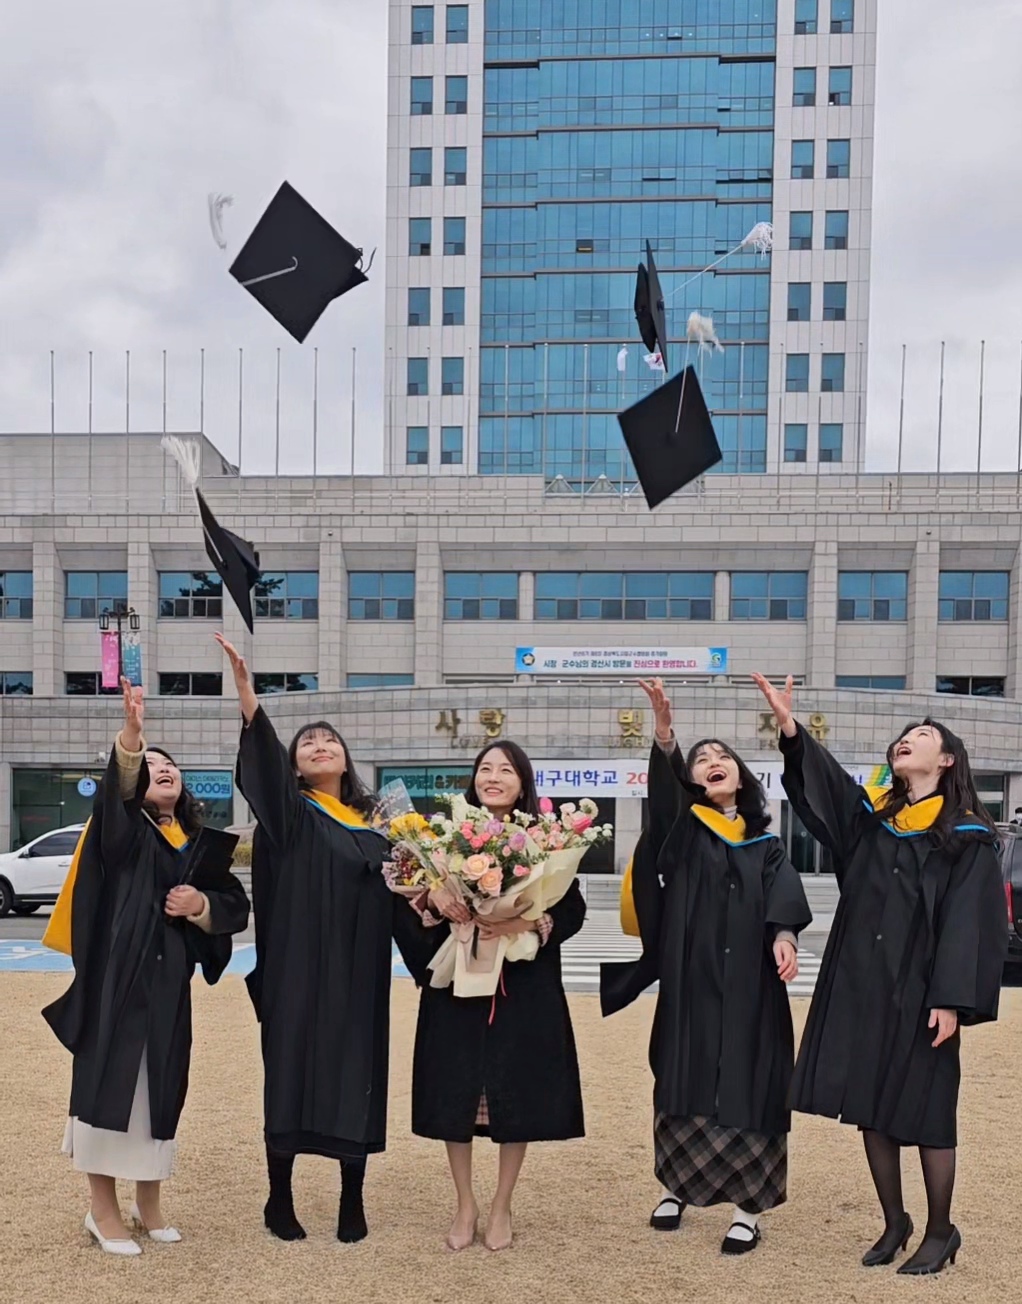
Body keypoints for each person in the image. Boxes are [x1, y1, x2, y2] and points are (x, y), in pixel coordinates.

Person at [753, 672, 1007, 1276]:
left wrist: (950, 999)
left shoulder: (967, 836)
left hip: (922, 991)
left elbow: (968, 923)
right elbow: (829, 789)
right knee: (870, 1101)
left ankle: (941, 1230)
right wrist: (790, 731)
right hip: (864, 982)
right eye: (903, 735)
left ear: (947, 760)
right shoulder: (874, 820)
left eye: (923, 735)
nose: (906, 740)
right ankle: (895, 1220)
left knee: (927, 1107)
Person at [217, 633, 427, 1244]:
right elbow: (261, 765)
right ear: (292, 764)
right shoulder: (289, 814)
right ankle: (278, 1198)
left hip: (359, 973)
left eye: (329, 740)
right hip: (297, 970)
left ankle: (351, 1198)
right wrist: (248, 696)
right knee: (288, 1073)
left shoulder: (380, 824)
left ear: (346, 758)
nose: (319, 745)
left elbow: (405, 899)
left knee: (357, 1074)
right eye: (307, 742)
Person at [602, 679, 811, 1255]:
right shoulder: (684, 832)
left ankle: (748, 1208)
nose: (713, 762)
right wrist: (665, 735)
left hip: (751, 987)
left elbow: (783, 896)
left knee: (754, 1078)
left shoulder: (765, 845)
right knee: (682, 1073)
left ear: (741, 777)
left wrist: (785, 936)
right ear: (692, 780)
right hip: (691, 981)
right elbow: (665, 800)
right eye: (702, 759)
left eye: (723, 757)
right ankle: (675, 1187)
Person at [42, 677, 250, 1255]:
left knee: (160, 1091)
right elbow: (116, 793)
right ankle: (102, 1210)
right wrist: (132, 738)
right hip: (117, 981)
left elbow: (233, 904)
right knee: (108, 1087)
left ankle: (148, 1202)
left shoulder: (199, 844)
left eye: (170, 765)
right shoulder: (123, 831)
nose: (163, 768)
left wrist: (200, 905)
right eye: (151, 765)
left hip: (167, 988)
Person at [413, 740, 586, 1252]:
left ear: (522, 781)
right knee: (455, 1089)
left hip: (522, 987)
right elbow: (410, 903)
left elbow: (571, 908)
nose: (493, 777)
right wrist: (434, 898)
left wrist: (525, 922)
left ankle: (502, 1203)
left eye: (506, 769)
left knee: (518, 1087)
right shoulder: (443, 837)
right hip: (459, 982)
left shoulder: (547, 839)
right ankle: (465, 1203)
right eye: (485, 768)